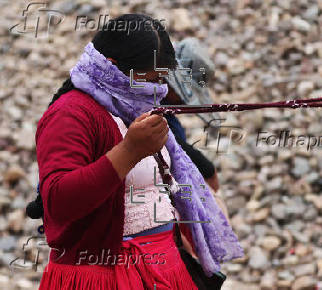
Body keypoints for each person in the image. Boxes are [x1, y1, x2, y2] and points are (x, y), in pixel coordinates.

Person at [25, 14, 243, 290]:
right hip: (104, 277)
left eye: (163, 80)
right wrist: (129, 151)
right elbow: (58, 201)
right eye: (151, 80)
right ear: (112, 69)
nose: (159, 91)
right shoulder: (71, 114)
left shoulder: (134, 108)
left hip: (164, 270)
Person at [162, 37, 229, 220]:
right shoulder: (149, 101)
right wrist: (206, 168)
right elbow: (169, 141)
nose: (184, 102)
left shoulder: (168, 110)